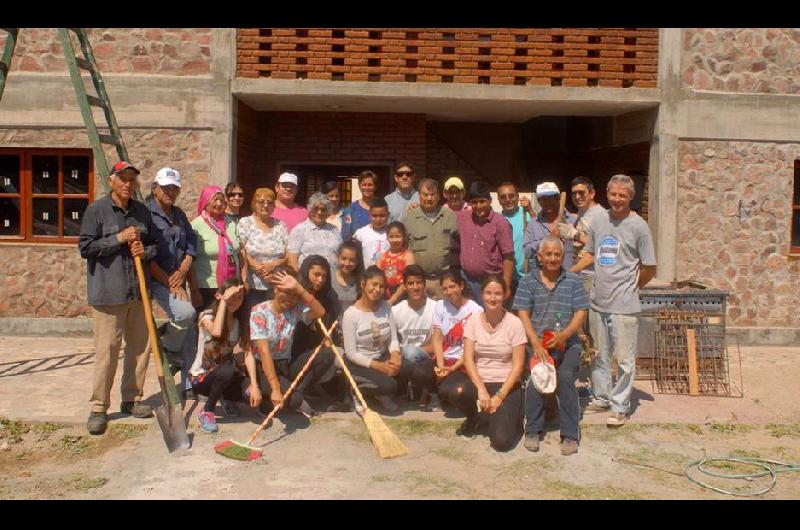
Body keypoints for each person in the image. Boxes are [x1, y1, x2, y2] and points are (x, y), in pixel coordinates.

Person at [78, 161, 156, 435]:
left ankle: (131, 399)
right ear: (111, 181)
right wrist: (119, 238)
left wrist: (144, 251)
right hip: (108, 294)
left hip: (138, 293)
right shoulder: (96, 210)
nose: (127, 183)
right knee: (107, 353)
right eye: (122, 179)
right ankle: (99, 407)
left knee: (139, 349)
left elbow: (156, 244)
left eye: (131, 179)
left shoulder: (142, 211)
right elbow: (85, 248)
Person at [576, 174, 657, 427]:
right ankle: (601, 397)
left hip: (624, 305)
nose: (617, 199)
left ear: (631, 197)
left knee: (623, 358)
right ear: (606, 194)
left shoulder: (639, 226)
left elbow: (650, 267)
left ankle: (620, 405)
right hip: (598, 301)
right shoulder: (599, 220)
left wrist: (633, 287)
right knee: (598, 355)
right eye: (613, 194)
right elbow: (591, 252)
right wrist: (572, 271)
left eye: (623, 195)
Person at [513, 236, 589, 455]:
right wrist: (535, 343)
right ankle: (533, 430)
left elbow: (581, 313)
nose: (553, 258)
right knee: (539, 374)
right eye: (548, 254)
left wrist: (565, 335)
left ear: (563, 257)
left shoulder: (573, 281)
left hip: (569, 344)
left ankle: (570, 435)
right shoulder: (528, 281)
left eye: (557, 254)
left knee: (565, 377)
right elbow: (523, 314)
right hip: (538, 344)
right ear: (540, 256)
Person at [248, 266, 334, 415]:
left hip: (285, 365)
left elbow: (320, 312)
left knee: (327, 354)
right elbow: (264, 351)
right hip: (264, 366)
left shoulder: (295, 310)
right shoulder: (259, 311)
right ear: (275, 289)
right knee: (294, 400)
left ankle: (296, 391)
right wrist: (275, 389)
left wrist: (299, 289)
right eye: (285, 292)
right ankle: (271, 397)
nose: (290, 298)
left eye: (294, 295)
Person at [146, 167, 199, 399]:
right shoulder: (145, 214)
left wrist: (184, 268)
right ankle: (168, 345)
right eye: (165, 187)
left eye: (174, 188)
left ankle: (188, 383)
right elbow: (147, 256)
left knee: (190, 331)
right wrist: (171, 282)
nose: (170, 191)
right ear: (155, 188)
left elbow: (191, 245)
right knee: (185, 314)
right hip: (158, 279)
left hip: (178, 276)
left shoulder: (178, 214)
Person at [456, 275, 527, 451]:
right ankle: (475, 417)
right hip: (481, 381)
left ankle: (514, 415)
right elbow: (469, 359)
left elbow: (518, 365)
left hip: (506, 384)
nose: (492, 298)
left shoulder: (515, 323)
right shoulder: (473, 321)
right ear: (482, 294)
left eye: (498, 293)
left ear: (505, 296)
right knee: (456, 391)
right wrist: (481, 389)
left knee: (501, 442)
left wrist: (499, 396)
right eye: (488, 293)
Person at [190, 278, 261, 433]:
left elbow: (248, 353)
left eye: (239, 297)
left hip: (225, 376)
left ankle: (226, 398)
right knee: (227, 369)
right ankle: (207, 411)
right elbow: (216, 332)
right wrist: (224, 301)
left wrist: (254, 385)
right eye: (230, 296)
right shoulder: (206, 316)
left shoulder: (239, 322)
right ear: (218, 296)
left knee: (251, 393)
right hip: (201, 378)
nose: (234, 301)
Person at [342, 266, 418, 412]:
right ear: (363, 284)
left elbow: (393, 339)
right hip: (360, 363)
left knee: (406, 367)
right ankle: (357, 392)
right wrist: (378, 366)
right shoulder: (351, 314)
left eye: (382, 286)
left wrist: (396, 355)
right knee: (389, 385)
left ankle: (380, 393)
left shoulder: (385, 307)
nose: (377, 289)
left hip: (382, 356)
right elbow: (351, 353)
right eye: (374, 284)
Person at [455, 181, 515, 306]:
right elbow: (443, 214)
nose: (479, 206)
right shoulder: (462, 217)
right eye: (475, 202)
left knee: (490, 319)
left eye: (482, 201)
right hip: (466, 280)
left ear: (489, 200)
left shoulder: (501, 223)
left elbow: (508, 256)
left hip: (490, 282)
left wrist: (506, 285)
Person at [432, 270, 483, 414]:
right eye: (445, 288)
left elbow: (474, 346)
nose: (449, 291)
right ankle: (435, 396)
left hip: (463, 362)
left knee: (453, 390)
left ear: (461, 286)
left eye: (452, 286)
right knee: (420, 372)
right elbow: (436, 338)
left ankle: (448, 396)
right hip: (444, 358)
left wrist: (454, 367)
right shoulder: (440, 306)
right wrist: (441, 366)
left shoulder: (475, 309)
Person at [403, 178, 459, 300]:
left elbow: (459, 243)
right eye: (425, 195)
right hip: (418, 282)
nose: (429, 198)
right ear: (419, 195)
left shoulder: (450, 216)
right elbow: (403, 248)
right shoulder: (409, 217)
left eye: (433, 194)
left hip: (443, 281)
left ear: (439, 196)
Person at [237, 187, 289, 320]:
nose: (265, 205)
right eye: (261, 202)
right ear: (254, 204)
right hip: (253, 285)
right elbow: (241, 250)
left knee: (274, 321)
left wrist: (273, 265)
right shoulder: (245, 223)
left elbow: (288, 253)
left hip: (277, 284)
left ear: (274, 206)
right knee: (253, 322)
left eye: (270, 202)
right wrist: (259, 269)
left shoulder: (281, 225)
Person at [191, 185, 245, 310]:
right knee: (210, 322)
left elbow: (240, 252)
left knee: (229, 323)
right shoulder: (196, 225)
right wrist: (194, 290)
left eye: (221, 200)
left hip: (232, 285)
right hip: (208, 286)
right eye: (215, 199)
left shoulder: (230, 223)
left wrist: (243, 277)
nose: (219, 203)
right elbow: (190, 261)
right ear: (205, 202)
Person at [391, 265, 437, 408]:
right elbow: (392, 341)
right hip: (404, 361)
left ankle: (426, 392)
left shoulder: (436, 308)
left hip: (428, 359)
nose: (415, 287)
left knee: (411, 352)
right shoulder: (396, 310)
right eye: (410, 283)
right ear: (405, 286)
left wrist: (416, 351)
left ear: (425, 285)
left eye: (419, 283)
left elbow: (438, 343)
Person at [523, 181, 578, 271]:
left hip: (569, 278)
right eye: (542, 199)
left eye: (550, 198)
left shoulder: (573, 221)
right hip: (542, 278)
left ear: (558, 198)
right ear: (538, 201)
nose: (547, 202)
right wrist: (548, 239)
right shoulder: (533, 224)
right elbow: (527, 252)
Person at [287, 192, 343, 272]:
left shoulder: (334, 230)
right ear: (310, 210)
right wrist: (298, 281)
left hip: (333, 278)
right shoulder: (300, 230)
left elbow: (341, 254)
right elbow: (292, 260)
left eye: (323, 210)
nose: (319, 212)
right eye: (316, 209)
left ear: (328, 212)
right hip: (308, 280)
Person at [497, 181, 535, 288]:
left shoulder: (527, 215)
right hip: (505, 277)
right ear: (499, 200)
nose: (508, 199)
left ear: (518, 197)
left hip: (527, 276)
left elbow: (542, 230)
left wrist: (530, 210)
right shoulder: (497, 220)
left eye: (511, 196)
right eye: (503, 197)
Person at [376, 221, 415, 305]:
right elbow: (376, 278)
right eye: (391, 237)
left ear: (404, 237)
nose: (394, 240)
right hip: (384, 299)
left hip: (403, 299)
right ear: (387, 237)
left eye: (398, 236)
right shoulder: (382, 257)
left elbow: (408, 281)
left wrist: (392, 300)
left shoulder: (408, 257)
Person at [352, 197, 390, 269]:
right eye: (374, 216)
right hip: (368, 277)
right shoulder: (361, 233)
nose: (378, 219)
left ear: (388, 215)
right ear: (369, 215)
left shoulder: (392, 233)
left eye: (382, 216)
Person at [331, 241, 363, 323]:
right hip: (332, 329)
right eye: (343, 258)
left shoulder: (361, 280)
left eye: (352, 260)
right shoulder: (329, 278)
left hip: (354, 326)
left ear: (357, 262)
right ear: (338, 258)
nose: (347, 263)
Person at [349, 170, 378, 235]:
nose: (367, 188)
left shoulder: (381, 205)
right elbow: (349, 230)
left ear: (375, 187)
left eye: (370, 185)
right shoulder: (353, 207)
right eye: (364, 185)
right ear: (359, 186)